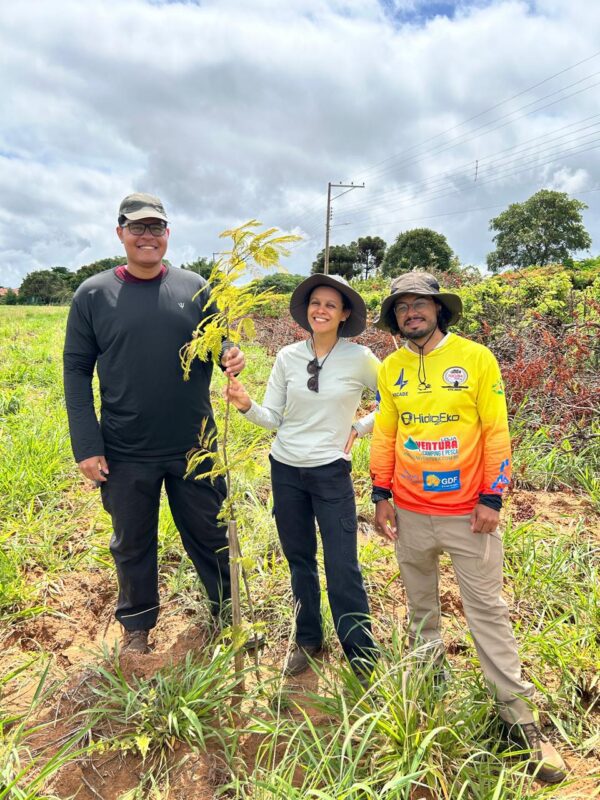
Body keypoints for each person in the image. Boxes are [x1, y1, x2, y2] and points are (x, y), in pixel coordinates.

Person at [370, 271, 566, 784]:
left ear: (439, 309)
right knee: (420, 608)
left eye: (420, 303)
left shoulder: (476, 359)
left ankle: (518, 719)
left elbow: (496, 430)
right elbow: (386, 432)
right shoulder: (391, 368)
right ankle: (429, 688)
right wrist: (381, 493)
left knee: (488, 612)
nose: (411, 312)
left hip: (468, 514)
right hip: (409, 511)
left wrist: (492, 497)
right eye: (402, 306)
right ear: (394, 317)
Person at [63, 192, 244, 654]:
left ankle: (228, 616)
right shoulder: (93, 294)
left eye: (156, 227)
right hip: (125, 448)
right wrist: (86, 444)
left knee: (211, 533)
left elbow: (218, 341)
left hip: (195, 444)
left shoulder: (195, 287)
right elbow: (76, 371)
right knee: (132, 542)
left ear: (168, 233)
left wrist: (230, 353)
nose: (148, 236)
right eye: (137, 227)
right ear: (120, 232)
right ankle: (137, 628)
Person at [225, 274, 380, 679]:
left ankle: (361, 655)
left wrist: (360, 427)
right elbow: (273, 418)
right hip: (285, 470)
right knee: (299, 561)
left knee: (342, 565)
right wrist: (246, 405)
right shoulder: (287, 357)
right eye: (315, 303)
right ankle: (308, 640)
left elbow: (396, 400)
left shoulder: (361, 358)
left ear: (344, 314)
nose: (321, 310)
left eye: (331, 304)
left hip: (331, 473)